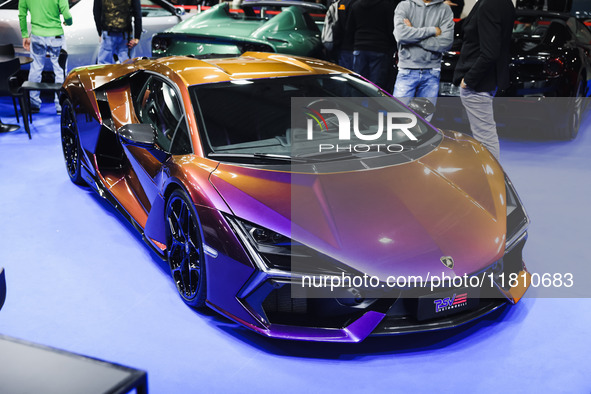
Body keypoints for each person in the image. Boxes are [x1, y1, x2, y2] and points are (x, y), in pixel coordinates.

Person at [453, 0, 515, 160]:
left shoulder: (490, 5)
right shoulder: (505, 3)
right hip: (486, 79)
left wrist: (469, 80)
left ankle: (491, 181)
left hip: (479, 82)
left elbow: (490, 52)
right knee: (485, 135)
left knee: (485, 138)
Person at [392, 0, 454, 119]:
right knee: (398, 118)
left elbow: (446, 43)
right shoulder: (404, 6)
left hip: (432, 71)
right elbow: (401, 35)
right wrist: (432, 30)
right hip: (407, 69)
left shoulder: (445, 10)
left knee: (425, 123)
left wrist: (413, 35)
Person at [18, 0, 72, 114]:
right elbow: (67, 15)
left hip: (37, 36)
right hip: (56, 36)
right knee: (59, 70)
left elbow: (22, 14)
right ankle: (60, 106)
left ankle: (34, 105)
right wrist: (68, 22)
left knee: (35, 69)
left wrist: (24, 35)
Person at [348, 0, 399, 91]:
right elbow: (391, 29)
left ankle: (358, 104)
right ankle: (372, 105)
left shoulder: (355, 5)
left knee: (358, 82)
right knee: (377, 84)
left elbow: (349, 28)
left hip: (360, 47)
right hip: (380, 48)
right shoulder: (386, 5)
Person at [94, 0, 142, 64]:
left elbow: (96, 11)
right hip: (125, 34)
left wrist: (100, 32)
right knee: (127, 64)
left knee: (104, 64)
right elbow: (137, 13)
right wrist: (137, 37)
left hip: (108, 33)